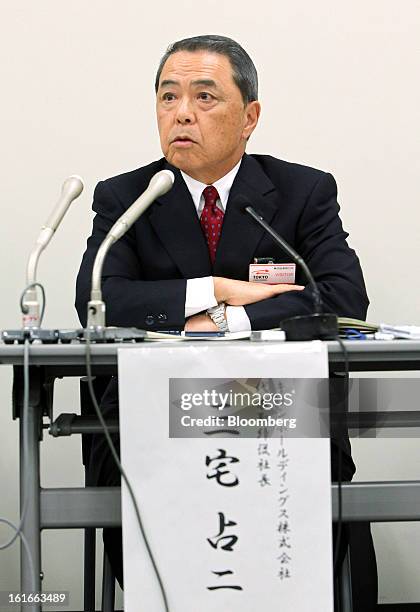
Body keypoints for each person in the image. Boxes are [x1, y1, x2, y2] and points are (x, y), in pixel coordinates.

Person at [75, 34, 377, 609]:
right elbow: (100, 300)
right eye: (168, 97)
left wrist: (225, 319)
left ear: (250, 117)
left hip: (281, 413)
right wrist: (214, 288)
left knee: (325, 537)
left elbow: (340, 296)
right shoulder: (126, 196)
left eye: (204, 96)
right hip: (151, 422)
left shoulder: (301, 191)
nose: (181, 112)